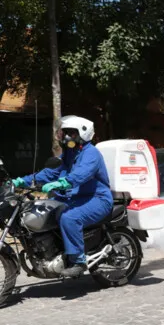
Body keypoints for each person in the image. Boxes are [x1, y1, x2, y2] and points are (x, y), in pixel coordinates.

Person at [12, 115, 112, 278]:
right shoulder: (70, 153)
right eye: (63, 133)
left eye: (69, 133)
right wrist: (21, 181)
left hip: (98, 199)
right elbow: (49, 173)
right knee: (42, 210)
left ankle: (78, 261)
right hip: (74, 198)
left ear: (81, 133)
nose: (64, 137)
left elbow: (81, 174)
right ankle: (55, 252)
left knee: (69, 218)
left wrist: (60, 183)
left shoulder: (91, 153)